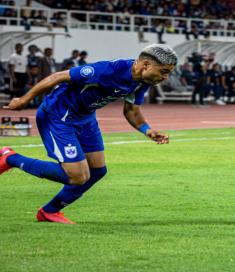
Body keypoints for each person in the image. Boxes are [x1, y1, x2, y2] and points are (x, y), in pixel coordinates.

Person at [0, 44, 178, 224]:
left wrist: (147, 130)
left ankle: (49, 211)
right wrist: (24, 100)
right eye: (163, 71)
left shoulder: (142, 82)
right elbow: (58, 76)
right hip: (59, 115)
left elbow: (131, 110)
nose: (165, 77)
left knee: (97, 171)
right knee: (77, 176)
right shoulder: (108, 70)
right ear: (146, 64)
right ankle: (10, 158)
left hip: (85, 119)